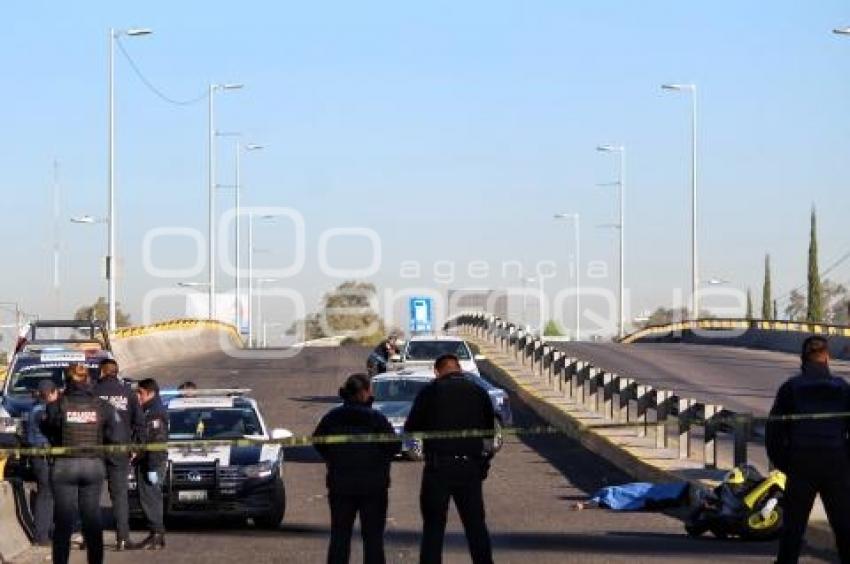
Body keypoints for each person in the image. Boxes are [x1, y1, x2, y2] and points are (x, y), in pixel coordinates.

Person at [766, 336, 850, 563]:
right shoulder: (843, 388)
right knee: (844, 526)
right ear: (827, 358)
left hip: (801, 464)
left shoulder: (790, 388)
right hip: (836, 464)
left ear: (802, 359)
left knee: (793, 528)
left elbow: (773, 433)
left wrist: (786, 463)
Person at [404, 354, 495, 564]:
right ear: (459, 368)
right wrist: (483, 465)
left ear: (437, 371)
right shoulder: (479, 392)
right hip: (470, 467)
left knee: (433, 528)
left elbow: (411, 428)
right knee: (476, 528)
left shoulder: (430, 392)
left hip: (438, 468)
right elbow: (489, 434)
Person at [313, 374, 401, 564]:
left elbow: (318, 442)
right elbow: (394, 447)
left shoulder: (332, 417)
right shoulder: (376, 418)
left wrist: (334, 458)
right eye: (370, 390)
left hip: (341, 486)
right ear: (363, 392)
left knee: (340, 537)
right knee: (373, 539)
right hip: (373, 487)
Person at [39, 362, 121, 564]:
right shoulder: (102, 406)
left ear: (66, 381)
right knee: (92, 520)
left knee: (63, 522)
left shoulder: (56, 406)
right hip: (93, 465)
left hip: (64, 466)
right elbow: (117, 435)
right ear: (89, 381)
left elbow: (46, 429)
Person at [92, 358, 145, 550]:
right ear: (116, 372)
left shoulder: (94, 392)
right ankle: (122, 538)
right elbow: (140, 423)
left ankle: (91, 539)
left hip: (95, 449)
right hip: (121, 449)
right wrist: (136, 448)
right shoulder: (128, 393)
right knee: (120, 496)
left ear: (102, 372)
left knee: (91, 495)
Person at [133, 378, 168, 550]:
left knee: (151, 498)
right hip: (147, 460)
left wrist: (153, 466)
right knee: (148, 498)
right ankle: (155, 533)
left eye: (140, 392)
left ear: (150, 393)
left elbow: (156, 441)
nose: (138, 396)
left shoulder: (155, 412)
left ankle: (157, 533)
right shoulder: (147, 410)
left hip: (152, 461)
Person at [27, 379, 58, 546]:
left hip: (41, 457)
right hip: (43, 458)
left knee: (48, 494)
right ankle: (41, 535)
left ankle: (47, 531)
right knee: (45, 494)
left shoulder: (35, 407)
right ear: (51, 393)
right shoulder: (42, 411)